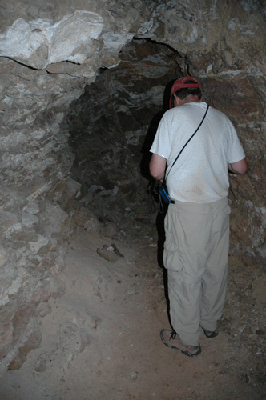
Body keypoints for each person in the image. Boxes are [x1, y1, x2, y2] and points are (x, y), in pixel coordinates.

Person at [149, 76, 247, 357]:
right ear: (199, 96)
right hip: (219, 208)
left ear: (176, 98)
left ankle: (188, 338)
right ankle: (210, 322)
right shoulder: (222, 119)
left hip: (189, 211)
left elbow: (156, 171)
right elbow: (240, 167)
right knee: (215, 268)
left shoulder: (171, 117)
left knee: (184, 272)